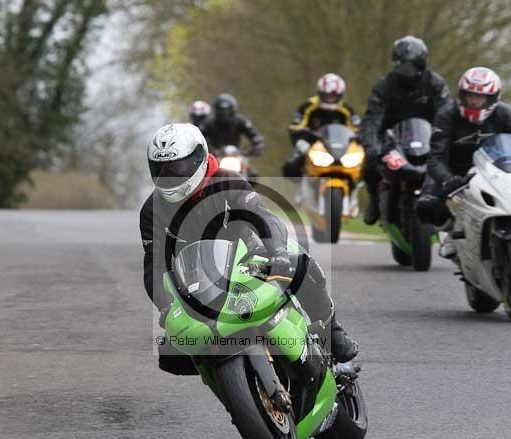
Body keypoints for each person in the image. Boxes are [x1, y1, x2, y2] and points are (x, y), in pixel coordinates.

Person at [140, 123, 358, 374]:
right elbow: (154, 263)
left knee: (302, 265)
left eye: (177, 167)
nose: (171, 176)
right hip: (199, 281)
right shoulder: (151, 211)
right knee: (171, 356)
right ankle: (230, 385)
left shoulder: (227, 180)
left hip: (250, 257)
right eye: (162, 169)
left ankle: (332, 330)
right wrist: (166, 306)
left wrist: (276, 252)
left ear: (198, 157)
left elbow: (264, 217)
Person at [416, 67, 511, 239]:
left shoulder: (505, 113)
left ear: (492, 98)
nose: (474, 101)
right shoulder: (446, 114)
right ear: (462, 95)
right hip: (453, 172)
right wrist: (447, 179)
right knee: (425, 205)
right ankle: (450, 230)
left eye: (480, 97)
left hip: (493, 170)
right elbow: (435, 157)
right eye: (470, 96)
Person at [358, 36, 451, 224]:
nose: (406, 70)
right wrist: (372, 146)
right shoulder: (384, 85)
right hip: (393, 138)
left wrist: (447, 139)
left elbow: (447, 114)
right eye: (402, 65)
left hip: (428, 137)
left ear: (421, 63)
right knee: (369, 162)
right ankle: (375, 200)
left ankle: (446, 208)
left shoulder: (435, 83)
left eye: (411, 65)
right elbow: (372, 119)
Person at [282, 73, 360, 183]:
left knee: (366, 165)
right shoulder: (308, 106)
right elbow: (295, 126)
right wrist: (300, 139)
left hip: (340, 148)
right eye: (327, 96)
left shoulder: (346, 110)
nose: (330, 99)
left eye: (333, 96)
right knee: (291, 165)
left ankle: (355, 192)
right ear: (320, 93)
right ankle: (299, 191)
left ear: (340, 95)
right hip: (313, 144)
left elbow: (357, 130)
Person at [200, 93, 265, 157]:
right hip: (214, 156)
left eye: (227, 112)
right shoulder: (208, 122)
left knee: (247, 167)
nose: (224, 115)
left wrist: (257, 145)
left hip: (236, 156)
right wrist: (210, 150)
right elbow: (200, 137)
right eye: (222, 113)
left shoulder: (240, 120)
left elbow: (254, 135)